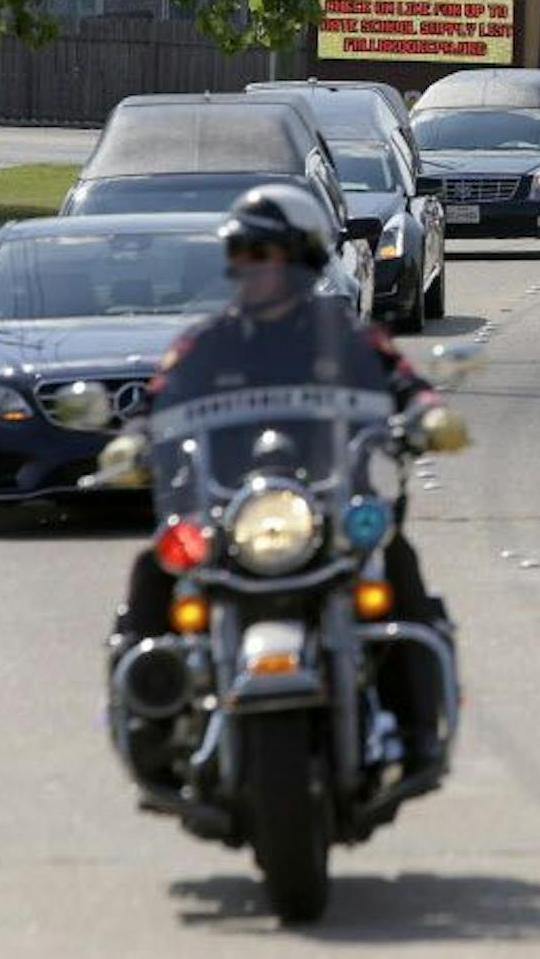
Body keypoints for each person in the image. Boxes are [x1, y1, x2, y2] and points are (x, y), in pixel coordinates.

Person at [105, 185, 466, 777]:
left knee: (395, 565)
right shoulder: (206, 341)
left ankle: (418, 724)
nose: (245, 265)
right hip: (229, 511)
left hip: (326, 503)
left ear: (300, 258)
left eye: (261, 251)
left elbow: (400, 380)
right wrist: (134, 439)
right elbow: (159, 399)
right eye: (240, 251)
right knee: (154, 570)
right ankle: (150, 720)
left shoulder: (346, 335)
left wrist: (428, 413)